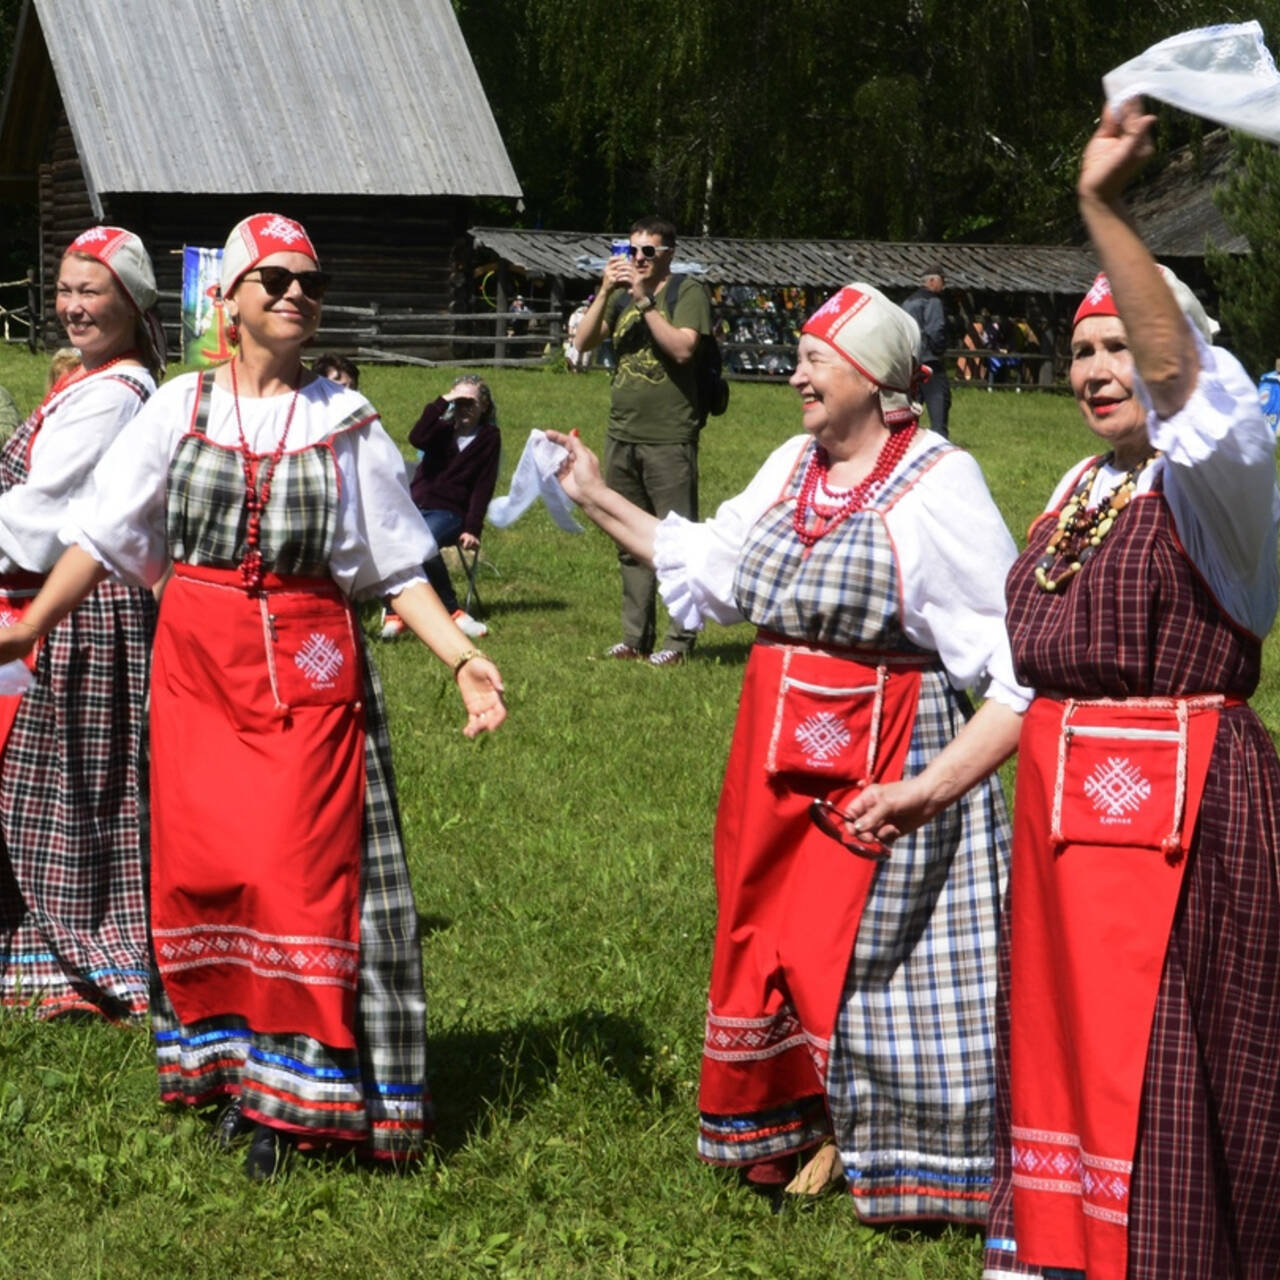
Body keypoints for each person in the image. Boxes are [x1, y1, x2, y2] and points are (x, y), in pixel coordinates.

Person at [848, 101, 1280, 1280]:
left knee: (1166, 1063)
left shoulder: (1219, 479)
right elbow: (1028, 684)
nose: (1096, 368)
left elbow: (1180, 376)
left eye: (1115, 349)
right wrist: (928, 788)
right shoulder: (1077, 491)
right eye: (1079, 351)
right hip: (1061, 827)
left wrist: (1101, 207)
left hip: (1183, 825)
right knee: (1063, 1050)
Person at [0, 213, 507, 1178]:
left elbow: (398, 566)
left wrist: (458, 659)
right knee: (207, 875)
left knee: (298, 880)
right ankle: (233, 1074)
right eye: (270, 280)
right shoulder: (177, 407)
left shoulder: (343, 422)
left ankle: (298, 1098)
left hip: (307, 675)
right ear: (226, 300)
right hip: (194, 670)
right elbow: (106, 535)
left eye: (307, 283)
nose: (291, 295)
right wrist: (30, 627)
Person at [548, 281, 1029, 1220]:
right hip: (773, 749)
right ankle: (792, 1119)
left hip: (887, 748)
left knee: (871, 950)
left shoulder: (938, 480)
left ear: (875, 377)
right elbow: (712, 569)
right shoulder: (790, 466)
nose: (798, 373)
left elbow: (1013, 660)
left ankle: (895, 1147)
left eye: (816, 357)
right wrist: (595, 492)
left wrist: (931, 789)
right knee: (768, 931)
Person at [0, 227, 164, 1019]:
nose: (72, 306)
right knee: (60, 786)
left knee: (79, 786)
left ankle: (93, 961)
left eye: (90, 291)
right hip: (65, 599)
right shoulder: (95, 381)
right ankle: (55, 949)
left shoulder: (113, 393)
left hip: (83, 611)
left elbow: (40, 523)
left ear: (130, 301)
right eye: (64, 290)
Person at [571, 216, 712, 667]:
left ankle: (679, 640)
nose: (637, 259)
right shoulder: (620, 297)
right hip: (621, 433)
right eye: (631, 251)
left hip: (669, 435)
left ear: (669, 253)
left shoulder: (685, 292)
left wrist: (645, 302)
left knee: (675, 542)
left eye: (648, 251)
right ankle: (635, 637)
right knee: (629, 541)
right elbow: (583, 342)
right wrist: (605, 291)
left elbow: (684, 349)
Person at [381, 375, 500, 641]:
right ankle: (395, 614)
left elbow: (484, 485)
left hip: (450, 512)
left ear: (484, 407)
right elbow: (416, 437)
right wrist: (442, 402)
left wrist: (473, 527)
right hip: (415, 505)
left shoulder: (489, 438)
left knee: (422, 543)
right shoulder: (441, 430)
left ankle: (452, 612)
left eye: (470, 403)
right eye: (459, 403)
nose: (464, 409)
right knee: (392, 541)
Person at [901, 265, 951, 436]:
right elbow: (935, 329)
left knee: (908, 414)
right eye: (942, 282)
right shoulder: (933, 301)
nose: (943, 287)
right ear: (932, 281)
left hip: (910, 364)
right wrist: (939, 350)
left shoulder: (907, 302)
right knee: (939, 412)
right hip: (930, 364)